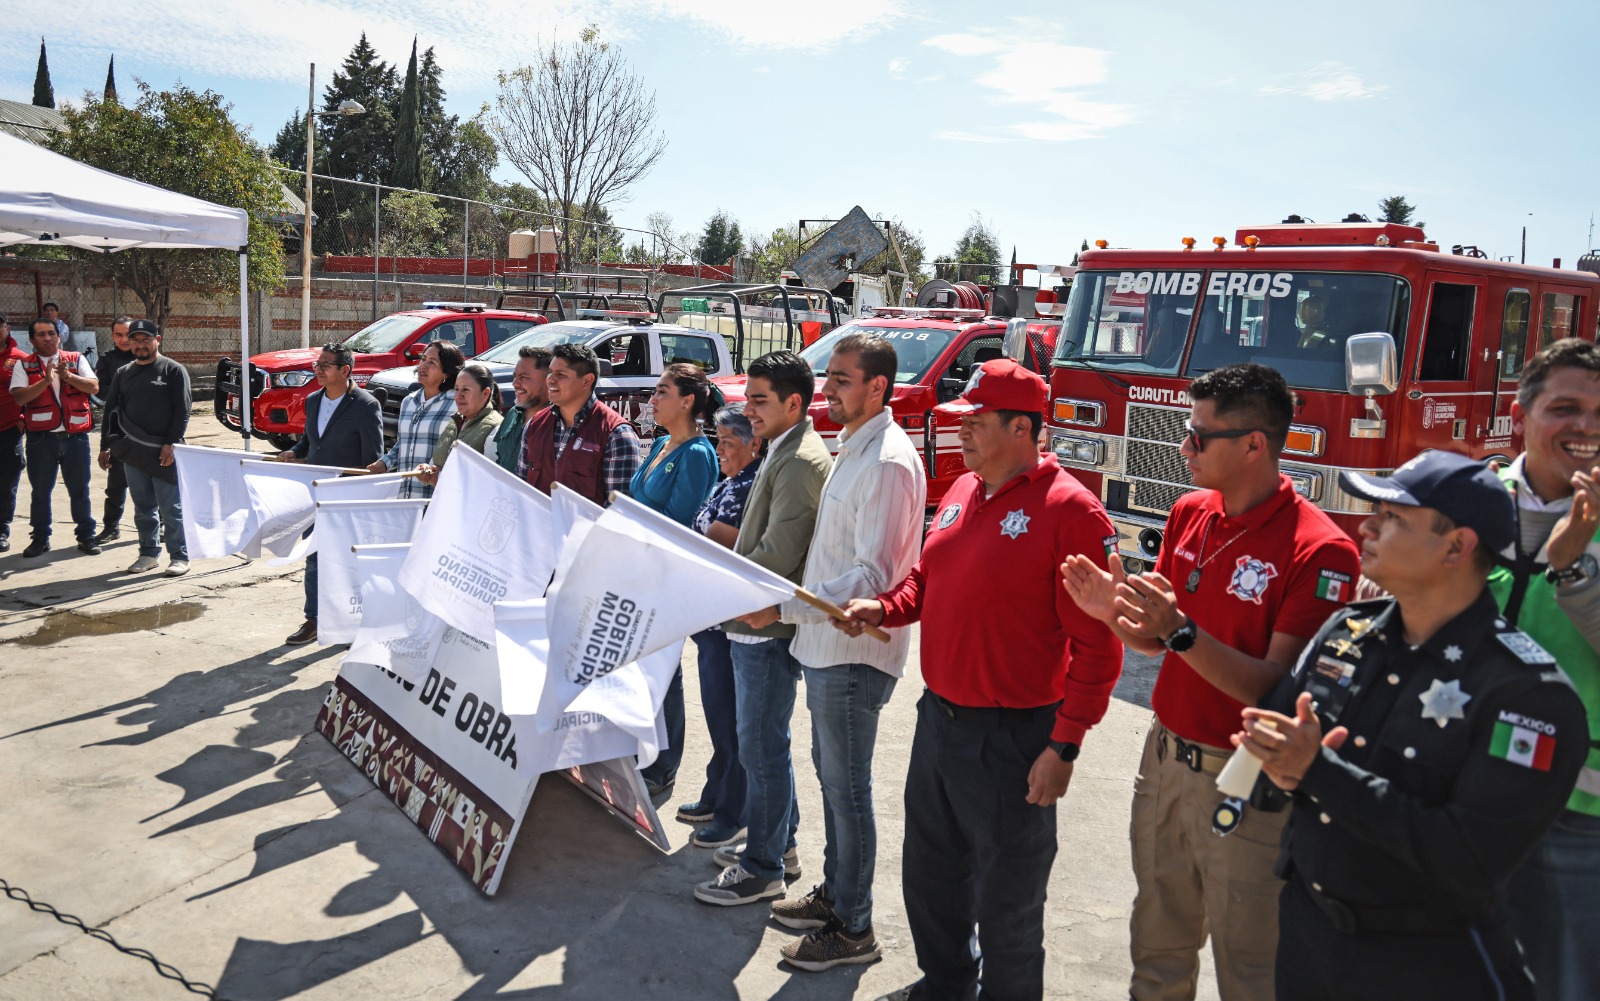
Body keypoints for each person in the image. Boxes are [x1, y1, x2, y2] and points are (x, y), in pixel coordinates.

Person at [1237, 451, 1587, 1001]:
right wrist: (1281, 768)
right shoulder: (1347, 633)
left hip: (1428, 966)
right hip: (1310, 938)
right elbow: (1273, 759)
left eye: (1395, 517)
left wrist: (1316, 770)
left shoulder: (1528, 696)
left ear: (1457, 546)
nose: (1366, 526)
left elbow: (1468, 859)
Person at [1061, 362, 1360, 1001]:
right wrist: (1110, 610)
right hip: (1165, 761)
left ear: (1255, 444)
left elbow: (1275, 690)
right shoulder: (1192, 511)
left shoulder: (1320, 550)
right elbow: (1156, 638)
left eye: (1199, 436)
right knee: (1157, 947)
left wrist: (1178, 632)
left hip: (1245, 780)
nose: (1182, 447)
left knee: (1252, 968)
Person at [840, 358, 1123, 1000]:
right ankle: (945, 986)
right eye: (961, 419)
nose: (960, 431)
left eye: (976, 421)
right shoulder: (966, 490)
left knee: (1008, 905)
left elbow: (1098, 648)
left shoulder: (1071, 513)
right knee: (931, 877)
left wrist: (1065, 746)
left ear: (1022, 429)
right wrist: (885, 607)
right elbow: (927, 578)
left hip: (1013, 740)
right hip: (940, 723)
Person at [735, 333, 926, 972]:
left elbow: (874, 576)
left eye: (842, 379)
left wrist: (782, 607)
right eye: (830, 378)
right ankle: (836, 895)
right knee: (832, 782)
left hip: (854, 654)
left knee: (848, 793)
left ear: (878, 386)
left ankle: (854, 928)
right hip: (824, 647)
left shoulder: (889, 463)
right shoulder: (855, 447)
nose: (829, 390)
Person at [694, 350, 831, 908]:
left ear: (793, 403)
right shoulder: (784, 449)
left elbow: (776, 554)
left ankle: (764, 867)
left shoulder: (798, 460)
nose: (746, 410)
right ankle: (781, 846)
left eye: (758, 400)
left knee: (762, 749)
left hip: (764, 626)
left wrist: (722, 577)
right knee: (763, 746)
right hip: (752, 619)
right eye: (747, 398)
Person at [1488, 338, 1600, 1001]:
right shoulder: (1467, 498)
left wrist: (1575, 568)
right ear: (1518, 415)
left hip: (1578, 819)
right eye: (1566, 408)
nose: (1586, 427)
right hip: (1461, 793)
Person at [633, 362, 722, 797]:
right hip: (640, 570)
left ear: (687, 401)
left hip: (667, 574)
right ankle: (639, 749)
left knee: (666, 669)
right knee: (641, 664)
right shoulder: (662, 444)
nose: (653, 399)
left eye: (662, 391)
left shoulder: (698, 453)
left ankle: (663, 766)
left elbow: (681, 521)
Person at [678, 407, 763, 845]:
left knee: (731, 720)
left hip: (729, 624)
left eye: (728, 440)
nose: (719, 448)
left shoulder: (751, 485)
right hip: (710, 623)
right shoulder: (730, 480)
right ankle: (718, 792)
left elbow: (719, 542)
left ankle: (735, 814)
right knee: (718, 716)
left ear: (755, 443)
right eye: (719, 439)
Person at [278, 342, 384, 646]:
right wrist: (293, 452)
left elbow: (371, 457)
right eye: (318, 364)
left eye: (326, 365)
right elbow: (310, 444)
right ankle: (314, 619)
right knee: (313, 557)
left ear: (345, 370)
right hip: (316, 494)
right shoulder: (312, 401)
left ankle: (354, 620)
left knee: (348, 562)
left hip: (348, 496)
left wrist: (355, 489)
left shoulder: (365, 405)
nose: (319, 369)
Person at [97, 319, 190, 576]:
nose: (139, 345)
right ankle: (148, 554)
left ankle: (180, 556)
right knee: (143, 508)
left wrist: (170, 443)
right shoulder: (123, 373)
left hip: (164, 453)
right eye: (135, 340)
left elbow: (182, 411)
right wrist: (105, 447)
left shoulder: (173, 370)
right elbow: (111, 412)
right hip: (132, 454)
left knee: (171, 509)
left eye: (145, 339)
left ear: (157, 340)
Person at [10, 316, 100, 557]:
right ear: (32, 340)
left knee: (79, 489)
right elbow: (20, 398)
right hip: (42, 440)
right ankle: (40, 538)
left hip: (75, 439)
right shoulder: (25, 365)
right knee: (40, 491)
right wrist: (46, 380)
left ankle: (86, 537)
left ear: (59, 337)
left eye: (51, 333)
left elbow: (93, 387)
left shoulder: (75, 359)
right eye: (41, 334)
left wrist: (69, 377)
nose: (48, 338)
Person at [518, 342, 641, 506]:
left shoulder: (617, 435)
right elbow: (521, 489)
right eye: (550, 372)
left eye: (560, 374)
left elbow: (619, 512)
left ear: (587, 381)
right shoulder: (535, 424)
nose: (550, 380)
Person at [368, 341, 461, 499]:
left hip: (435, 498)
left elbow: (455, 452)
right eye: (423, 359)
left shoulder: (455, 404)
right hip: (406, 497)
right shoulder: (409, 401)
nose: (423, 365)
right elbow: (403, 443)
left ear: (447, 372)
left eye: (432, 362)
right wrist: (384, 462)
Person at [416, 362, 503, 487]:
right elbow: (437, 464)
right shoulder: (454, 422)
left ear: (485, 393)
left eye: (466, 390)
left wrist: (442, 479)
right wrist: (427, 471)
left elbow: (490, 481)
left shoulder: (495, 428)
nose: (458, 396)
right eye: (457, 389)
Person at [92, 317, 136, 545]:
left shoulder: (148, 357)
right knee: (116, 484)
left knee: (152, 484)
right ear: (112, 336)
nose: (123, 339)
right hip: (119, 430)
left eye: (127, 334)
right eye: (118, 335)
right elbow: (101, 391)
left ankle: (158, 525)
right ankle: (111, 527)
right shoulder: (107, 360)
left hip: (147, 431)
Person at [491, 345, 550, 476]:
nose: (515, 383)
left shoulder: (557, 423)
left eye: (523, 377)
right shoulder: (513, 413)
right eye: (515, 376)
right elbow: (501, 459)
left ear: (548, 380)